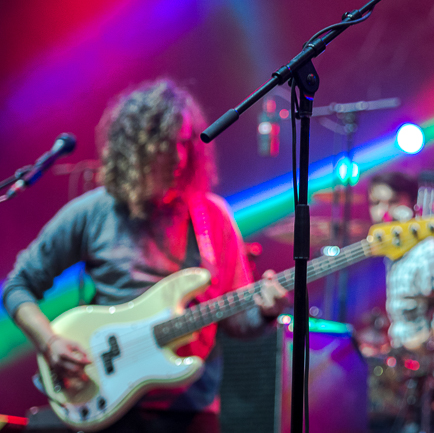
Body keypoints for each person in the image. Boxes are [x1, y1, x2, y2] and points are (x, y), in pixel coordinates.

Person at [2, 79, 290, 433]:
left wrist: (263, 312)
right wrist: (50, 343)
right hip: (105, 402)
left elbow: (236, 322)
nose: (180, 157)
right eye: (166, 146)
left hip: (189, 411)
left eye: (185, 144)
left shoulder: (213, 217)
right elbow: (17, 285)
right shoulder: (94, 212)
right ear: (134, 152)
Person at [368, 171, 434, 354]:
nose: (382, 212)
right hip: (405, 366)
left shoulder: (430, 250)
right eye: (375, 203)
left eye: (392, 202)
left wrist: (415, 348)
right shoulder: (392, 256)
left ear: (411, 204)